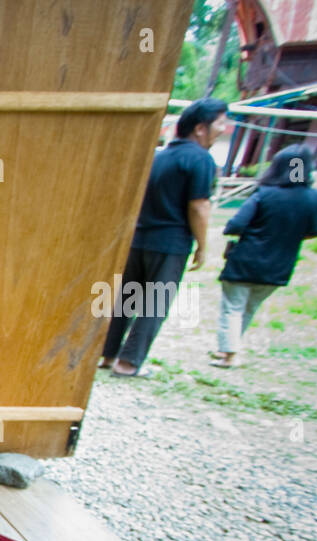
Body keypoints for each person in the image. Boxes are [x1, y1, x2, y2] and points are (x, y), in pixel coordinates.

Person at [100, 97, 229, 376]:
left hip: (138, 239)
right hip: (170, 244)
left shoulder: (159, 156)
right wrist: (203, 246)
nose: (224, 128)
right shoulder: (200, 159)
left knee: (126, 300)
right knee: (154, 305)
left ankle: (107, 355)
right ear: (200, 128)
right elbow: (199, 205)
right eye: (220, 123)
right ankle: (128, 363)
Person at [209, 144, 317, 368]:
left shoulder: (265, 194)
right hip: (279, 265)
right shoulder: (313, 199)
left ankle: (229, 352)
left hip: (246, 260)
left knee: (233, 307)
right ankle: (229, 349)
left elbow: (235, 225)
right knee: (248, 308)